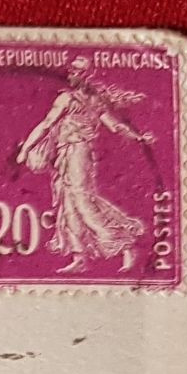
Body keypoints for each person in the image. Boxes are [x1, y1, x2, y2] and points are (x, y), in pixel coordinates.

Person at [16, 56, 154, 274]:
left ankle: (124, 244)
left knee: (81, 200)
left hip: (78, 153)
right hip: (66, 155)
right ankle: (79, 257)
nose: (72, 75)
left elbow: (114, 125)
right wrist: (26, 149)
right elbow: (46, 124)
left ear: (86, 75)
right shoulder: (73, 99)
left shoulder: (82, 100)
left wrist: (138, 137)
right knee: (67, 203)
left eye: (78, 72)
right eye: (72, 71)